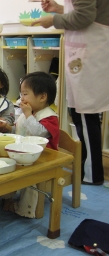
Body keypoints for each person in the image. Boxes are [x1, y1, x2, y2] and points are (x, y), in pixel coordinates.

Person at [32, 0, 109, 185]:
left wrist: (54, 19)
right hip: (84, 51)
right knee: (79, 112)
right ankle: (88, 168)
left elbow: (84, 16)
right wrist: (59, 9)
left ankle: (92, 174)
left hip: (90, 50)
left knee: (85, 113)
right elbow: (87, 10)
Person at [0, 72, 59, 218]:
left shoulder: (49, 116)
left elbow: (39, 133)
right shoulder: (29, 111)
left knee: (30, 180)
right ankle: (6, 196)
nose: (21, 98)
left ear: (42, 97)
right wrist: (9, 128)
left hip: (43, 159)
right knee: (4, 165)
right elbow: (22, 131)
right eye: (21, 94)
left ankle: (25, 209)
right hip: (23, 154)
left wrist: (27, 114)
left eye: (25, 94)